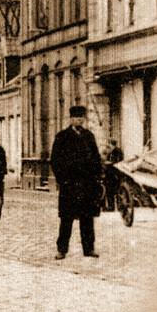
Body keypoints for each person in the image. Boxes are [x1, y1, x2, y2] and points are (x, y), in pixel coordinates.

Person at [50, 105, 103, 259]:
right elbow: (55, 161)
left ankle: (89, 248)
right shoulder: (62, 136)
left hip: (87, 185)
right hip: (69, 185)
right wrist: (62, 180)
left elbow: (96, 158)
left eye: (82, 117)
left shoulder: (89, 136)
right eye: (77, 117)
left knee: (87, 219)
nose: (79, 120)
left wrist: (97, 177)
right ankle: (62, 249)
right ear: (71, 119)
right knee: (66, 219)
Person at [102, 138, 124, 211]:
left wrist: (108, 162)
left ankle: (115, 207)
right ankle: (111, 207)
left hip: (115, 174)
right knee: (109, 191)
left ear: (112, 144)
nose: (108, 146)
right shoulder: (111, 151)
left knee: (113, 191)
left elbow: (117, 161)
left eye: (109, 144)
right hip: (110, 174)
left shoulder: (117, 151)